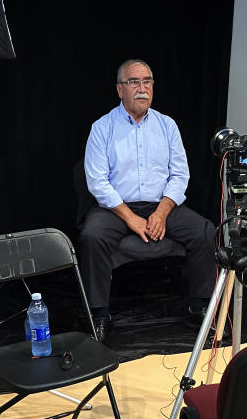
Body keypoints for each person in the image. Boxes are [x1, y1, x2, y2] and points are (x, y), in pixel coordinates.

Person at [79, 58, 216, 341]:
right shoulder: (102, 128)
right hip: (116, 207)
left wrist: (161, 213)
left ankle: (200, 304)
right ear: (120, 90)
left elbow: (180, 175)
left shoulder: (167, 125)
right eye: (134, 82)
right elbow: (97, 182)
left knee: (205, 231)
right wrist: (131, 218)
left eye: (147, 81)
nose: (142, 88)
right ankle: (99, 313)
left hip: (161, 204)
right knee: (92, 236)